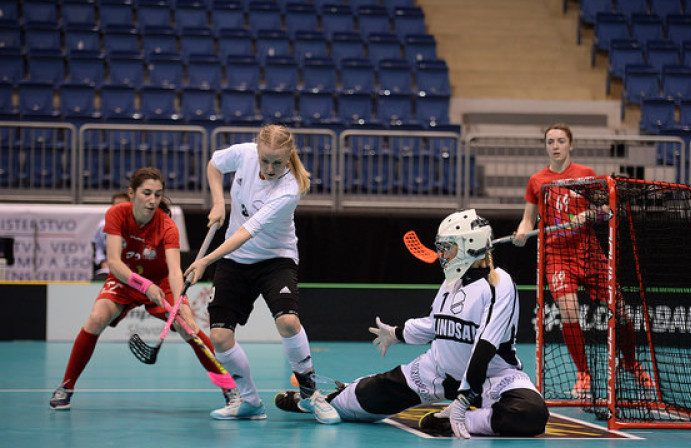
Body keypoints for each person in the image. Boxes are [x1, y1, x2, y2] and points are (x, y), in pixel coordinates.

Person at [274, 209, 550, 438]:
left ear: (470, 247)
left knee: (531, 415)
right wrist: (397, 333)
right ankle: (313, 401)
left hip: (493, 378)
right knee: (359, 401)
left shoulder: (500, 284)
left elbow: (485, 345)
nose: (442, 254)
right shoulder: (450, 282)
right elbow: (434, 325)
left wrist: (463, 402)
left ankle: (456, 421)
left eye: (448, 248)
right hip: (436, 372)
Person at [183, 124, 340, 423]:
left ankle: (310, 395)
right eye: (265, 160)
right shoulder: (243, 155)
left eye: (277, 162)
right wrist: (218, 201)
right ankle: (250, 401)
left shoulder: (289, 188)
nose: (270, 168)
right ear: (257, 150)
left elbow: (246, 232)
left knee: (288, 321)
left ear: (289, 156)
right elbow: (214, 166)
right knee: (219, 335)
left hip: (275, 259)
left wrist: (205, 260)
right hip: (235, 260)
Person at [50, 167, 236, 410]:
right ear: (131, 193)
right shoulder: (117, 214)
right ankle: (66, 386)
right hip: (127, 279)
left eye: (158, 195)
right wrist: (144, 286)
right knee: (97, 318)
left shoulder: (167, 226)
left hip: (161, 282)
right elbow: (114, 263)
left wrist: (182, 304)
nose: (152, 200)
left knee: (189, 329)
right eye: (146, 193)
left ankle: (230, 388)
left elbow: (174, 270)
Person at [511, 123, 653, 397]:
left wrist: (589, 216)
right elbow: (529, 217)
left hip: (589, 252)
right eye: (550, 141)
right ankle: (583, 374)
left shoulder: (586, 175)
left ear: (570, 145)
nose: (555, 145)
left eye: (561, 141)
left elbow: (606, 212)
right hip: (558, 255)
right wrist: (522, 230)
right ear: (546, 146)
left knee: (620, 309)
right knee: (568, 310)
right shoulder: (536, 181)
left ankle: (631, 364)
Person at [92, 192, 129, 281]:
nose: (120, 209)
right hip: (108, 266)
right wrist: (102, 262)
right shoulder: (103, 226)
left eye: (123, 206)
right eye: (117, 206)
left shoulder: (137, 226)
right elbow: (97, 247)